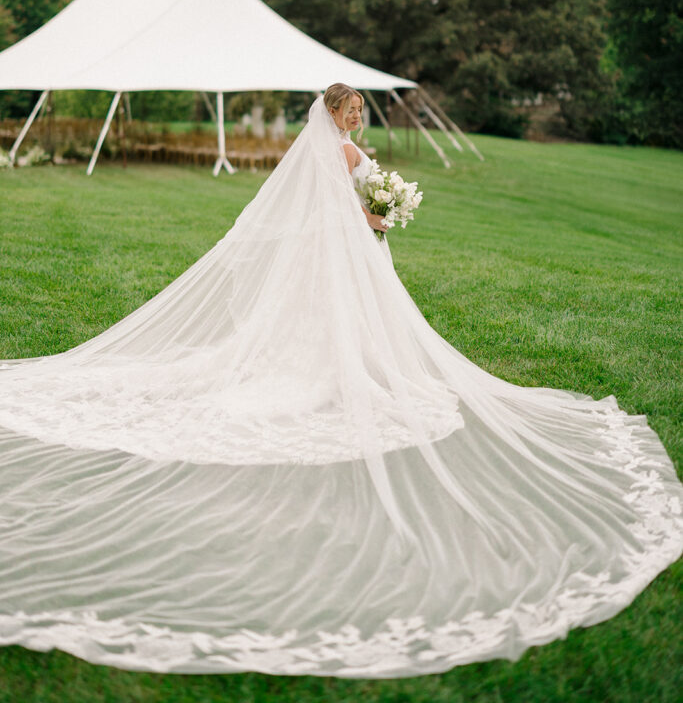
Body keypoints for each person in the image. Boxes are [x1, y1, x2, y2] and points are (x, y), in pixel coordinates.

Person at [0, 84, 681, 678]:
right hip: (338, 258)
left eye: (360, 110)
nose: (357, 118)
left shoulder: (336, 152)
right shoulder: (332, 155)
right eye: (350, 110)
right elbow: (337, 211)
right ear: (331, 113)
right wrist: (373, 216)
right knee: (321, 343)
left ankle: (342, 368)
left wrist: (380, 212)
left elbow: (347, 203)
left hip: (346, 259)